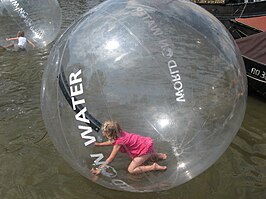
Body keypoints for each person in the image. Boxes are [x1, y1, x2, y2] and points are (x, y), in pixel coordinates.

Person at [91, 120, 167, 175]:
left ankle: (153, 167)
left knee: (131, 170)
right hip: (145, 143)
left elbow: (111, 158)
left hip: (144, 150)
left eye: (104, 131)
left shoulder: (119, 142)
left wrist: (100, 169)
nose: (103, 133)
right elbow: (111, 141)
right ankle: (159, 155)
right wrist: (99, 144)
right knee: (146, 152)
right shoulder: (119, 133)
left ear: (109, 133)